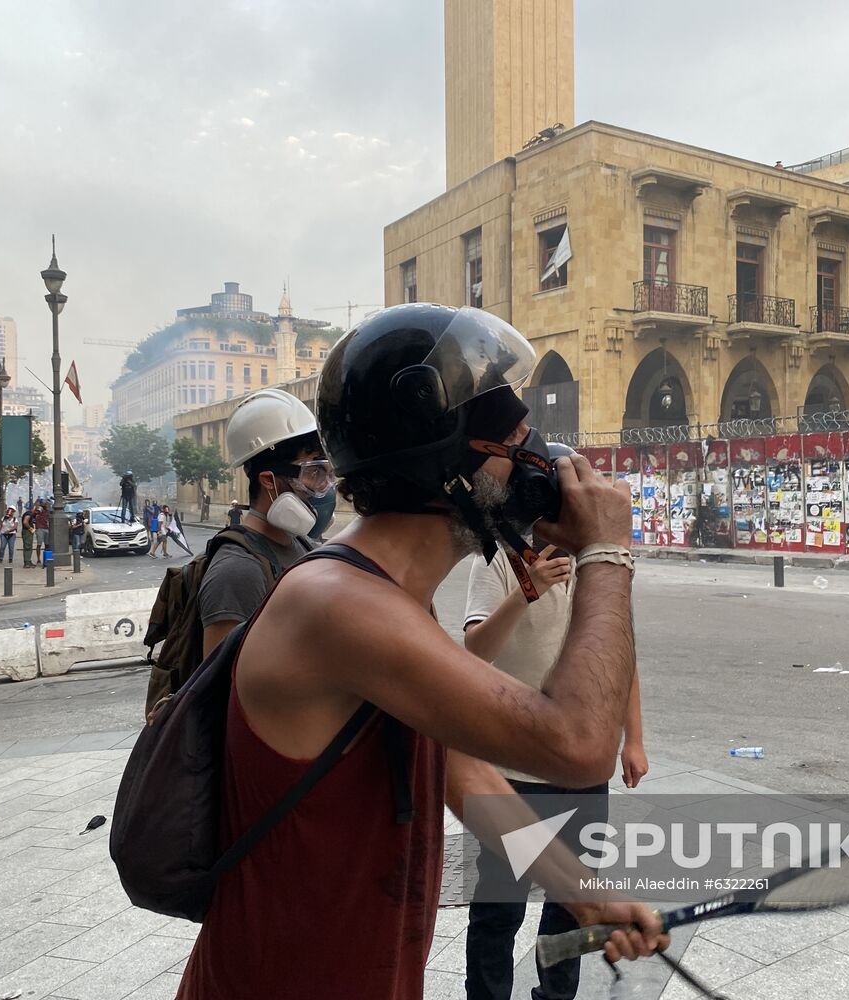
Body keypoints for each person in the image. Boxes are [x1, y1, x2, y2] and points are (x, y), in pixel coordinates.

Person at [176, 304, 664, 998]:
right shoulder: (340, 608)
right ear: (448, 462)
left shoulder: (388, 600)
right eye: (512, 441)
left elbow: (462, 772)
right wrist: (607, 552)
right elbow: (580, 745)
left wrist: (581, 891)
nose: (538, 461)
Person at [462, 518, 648, 1000]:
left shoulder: (596, 568)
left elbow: (621, 658)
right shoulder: (497, 558)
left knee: (571, 904)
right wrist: (529, 588)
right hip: (514, 769)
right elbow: (475, 649)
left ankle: (556, 996)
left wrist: (633, 739)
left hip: (583, 767)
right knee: (500, 908)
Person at [194, 388, 332, 665]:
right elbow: (222, 682)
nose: (325, 486)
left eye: (328, 472)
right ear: (268, 480)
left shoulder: (301, 545)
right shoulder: (237, 571)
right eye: (314, 473)